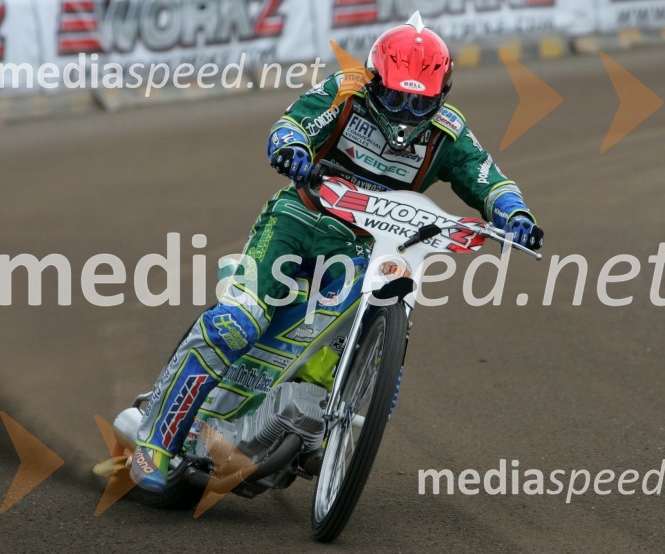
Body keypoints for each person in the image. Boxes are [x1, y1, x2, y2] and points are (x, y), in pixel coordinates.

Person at [129, 12, 544, 492]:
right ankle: (156, 439)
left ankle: (310, 424)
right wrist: (292, 147)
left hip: (360, 246)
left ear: (440, 97)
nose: (404, 114)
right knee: (237, 322)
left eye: (419, 103)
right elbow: (294, 123)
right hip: (296, 220)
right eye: (394, 97)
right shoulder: (344, 90)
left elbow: (486, 176)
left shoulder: (449, 132)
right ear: (373, 80)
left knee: (353, 329)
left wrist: (516, 215)